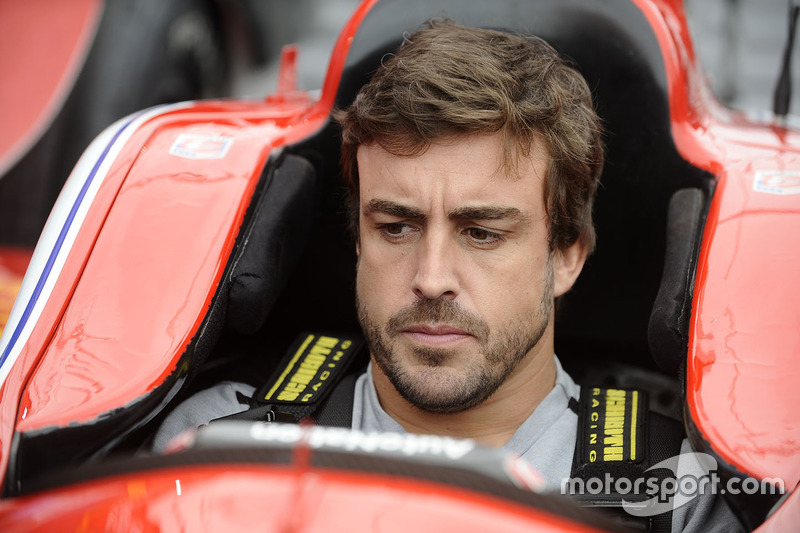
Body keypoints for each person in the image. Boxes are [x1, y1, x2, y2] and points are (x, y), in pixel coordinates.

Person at [154, 19, 742, 532]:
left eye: (482, 232)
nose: (432, 279)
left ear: (566, 255)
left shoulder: (674, 500)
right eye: (395, 227)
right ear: (357, 238)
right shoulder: (218, 444)